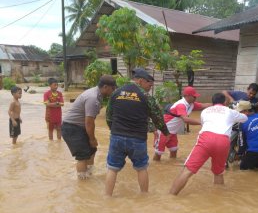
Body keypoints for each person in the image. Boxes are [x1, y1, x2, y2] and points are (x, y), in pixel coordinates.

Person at [105, 68, 170, 196]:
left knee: (112, 169)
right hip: (137, 139)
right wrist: (166, 133)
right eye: (149, 85)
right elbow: (158, 118)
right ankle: (144, 197)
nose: (150, 88)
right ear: (140, 81)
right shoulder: (146, 97)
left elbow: (108, 116)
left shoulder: (116, 93)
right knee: (141, 168)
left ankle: (107, 197)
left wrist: (115, 131)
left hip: (117, 137)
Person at [169, 93, 248, 195]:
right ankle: (217, 200)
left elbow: (204, 123)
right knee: (218, 172)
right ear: (224, 102)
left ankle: (171, 196)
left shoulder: (205, 111)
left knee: (188, 171)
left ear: (213, 102)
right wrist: (241, 111)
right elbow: (245, 118)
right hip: (223, 141)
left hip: (206, 139)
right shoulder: (230, 111)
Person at [61, 75, 116, 180]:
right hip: (72, 128)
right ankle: (83, 183)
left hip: (79, 127)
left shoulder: (97, 94)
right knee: (82, 155)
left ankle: (89, 174)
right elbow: (89, 122)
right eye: (112, 88)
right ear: (105, 87)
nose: (113, 91)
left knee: (92, 150)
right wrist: (92, 138)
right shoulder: (93, 97)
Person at [153, 86, 212, 161]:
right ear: (187, 96)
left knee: (174, 151)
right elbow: (186, 119)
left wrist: (218, 104)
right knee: (158, 153)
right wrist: (202, 122)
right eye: (194, 96)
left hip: (172, 132)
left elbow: (204, 105)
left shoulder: (191, 104)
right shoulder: (181, 105)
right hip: (163, 131)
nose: (195, 98)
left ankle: (171, 168)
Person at [236, 101, 258, 170]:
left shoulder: (242, 122)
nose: (239, 114)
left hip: (254, 152)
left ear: (246, 111)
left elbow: (242, 143)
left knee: (242, 170)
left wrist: (239, 154)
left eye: (240, 112)